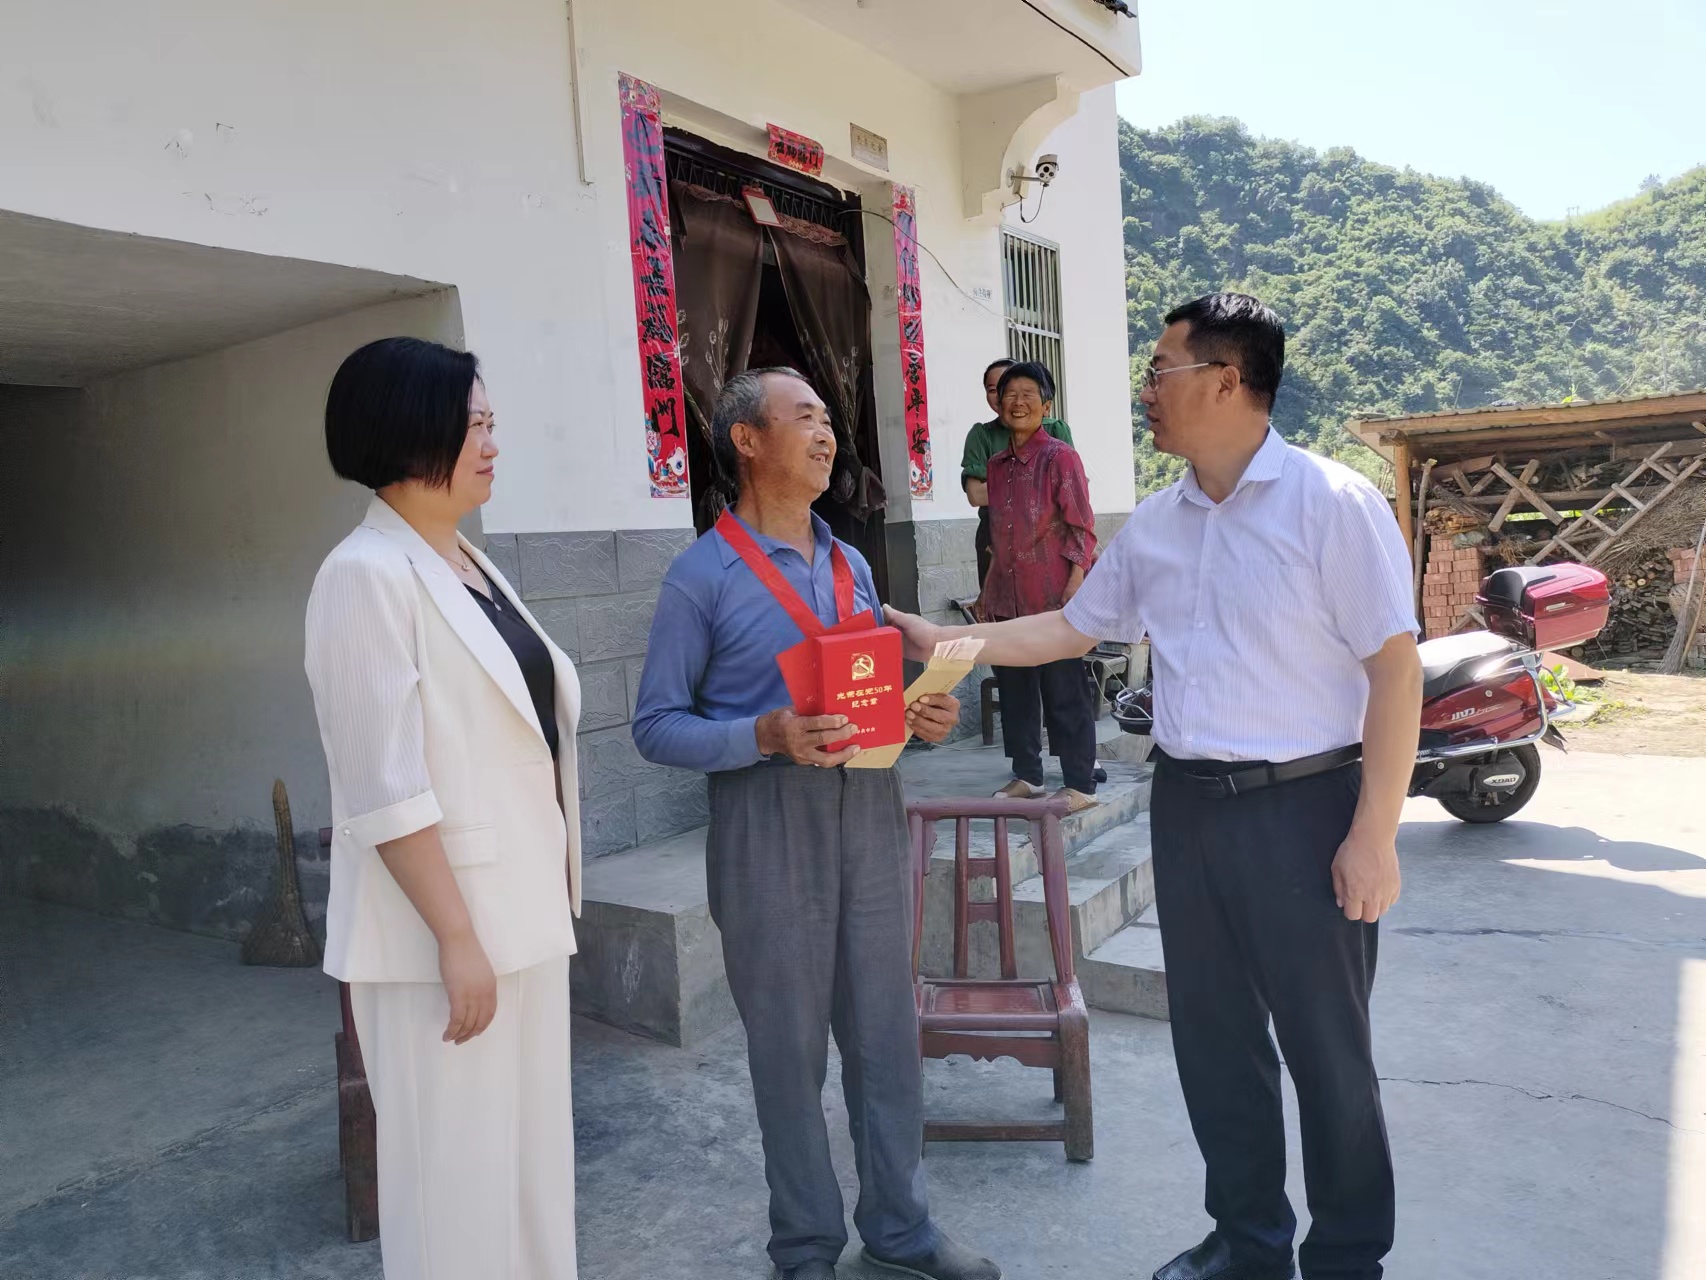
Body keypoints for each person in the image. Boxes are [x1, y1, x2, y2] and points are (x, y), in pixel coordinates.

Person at [884, 294, 1422, 1280]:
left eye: (1160, 369)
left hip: (1306, 808)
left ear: (1226, 380)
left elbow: (1395, 671)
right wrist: (943, 640)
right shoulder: (1159, 523)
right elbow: (1069, 625)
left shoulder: (1331, 504)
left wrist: (1373, 833)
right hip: (1188, 808)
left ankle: (1348, 1257)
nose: (1145, 389)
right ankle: (1248, 1242)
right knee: (1214, 1039)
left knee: (1328, 1050)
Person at [632, 368, 1001, 1280]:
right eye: (804, 417)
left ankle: (901, 1229)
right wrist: (760, 734)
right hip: (766, 822)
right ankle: (803, 1244)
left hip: (869, 810)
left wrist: (918, 717)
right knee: (788, 1046)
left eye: (829, 418)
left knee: (885, 1032)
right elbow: (655, 725)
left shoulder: (851, 565)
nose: (827, 433)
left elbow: (864, 695)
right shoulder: (701, 575)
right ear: (747, 440)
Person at [304, 337, 582, 1280]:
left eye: (492, 424)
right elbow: (382, 784)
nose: (493, 444)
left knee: (531, 1174)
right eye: (475, 425)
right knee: (456, 1193)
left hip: (523, 917)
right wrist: (457, 939)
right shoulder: (362, 574)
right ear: (408, 431)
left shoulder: (466, 562)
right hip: (442, 939)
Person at [981, 361, 1099, 813]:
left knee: (1064, 691)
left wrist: (1076, 583)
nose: (1018, 402)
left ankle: (1080, 784)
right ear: (998, 404)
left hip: (1053, 598)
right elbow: (999, 536)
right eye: (1010, 394)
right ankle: (1028, 776)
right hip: (1007, 599)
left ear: (1046, 405)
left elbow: (1082, 527)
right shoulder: (996, 467)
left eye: (1029, 394)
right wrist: (988, 590)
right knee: (1015, 692)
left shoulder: (1060, 457)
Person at [961, 356, 1074, 587]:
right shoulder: (982, 436)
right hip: (994, 540)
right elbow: (976, 495)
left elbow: (1071, 493)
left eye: (1018, 390)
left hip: (1048, 540)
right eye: (994, 390)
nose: (1008, 398)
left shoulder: (1056, 431)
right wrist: (1041, 484)